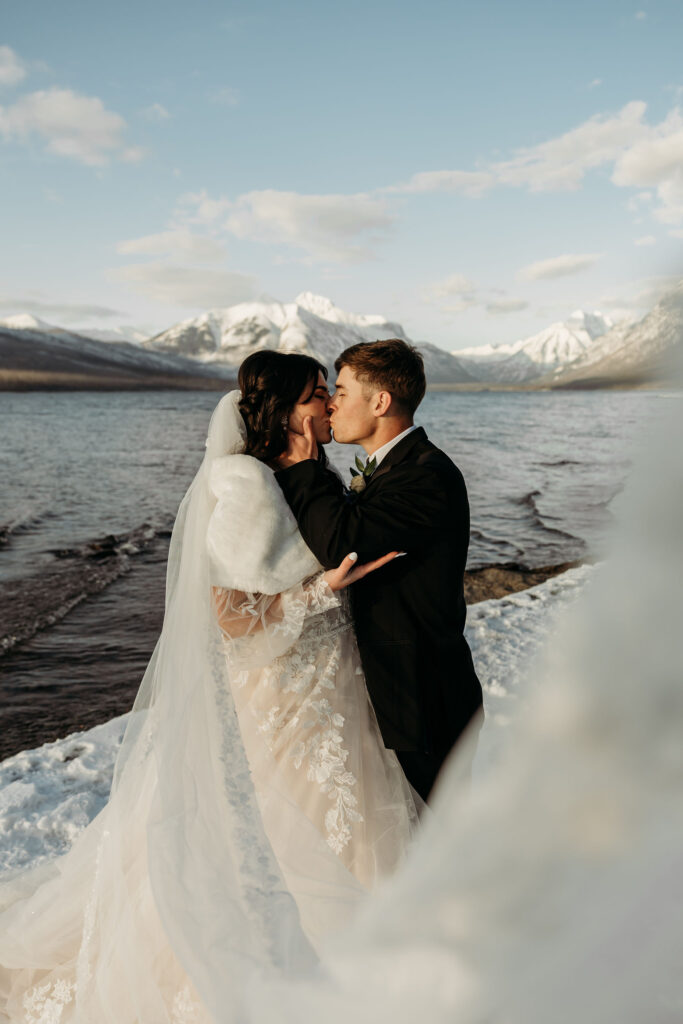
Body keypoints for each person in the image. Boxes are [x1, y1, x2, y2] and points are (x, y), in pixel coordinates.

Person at [0, 351, 419, 1023]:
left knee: (350, 820)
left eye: (330, 394)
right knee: (281, 824)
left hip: (333, 683)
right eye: (318, 395)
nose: (328, 407)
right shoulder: (244, 485)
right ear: (285, 408)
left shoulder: (313, 474)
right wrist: (321, 592)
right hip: (283, 692)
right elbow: (232, 617)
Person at [275, 338, 483, 802]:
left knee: (435, 845)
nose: (331, 403)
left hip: (425, 704)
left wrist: (305, 469)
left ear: (381, 401)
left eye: (343, 391)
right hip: (400, 696)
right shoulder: (392, 470)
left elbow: (342, 546)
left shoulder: (425, 476)